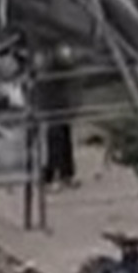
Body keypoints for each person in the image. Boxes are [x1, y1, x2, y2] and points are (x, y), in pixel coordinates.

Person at [38, 41, 78, 188]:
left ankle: (64, 173)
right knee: (56, 137)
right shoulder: (46, 56)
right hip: (53, 102)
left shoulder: (54, 53)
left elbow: (68, 63)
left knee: (62, 136)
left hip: (59, 101)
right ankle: (55, 173)